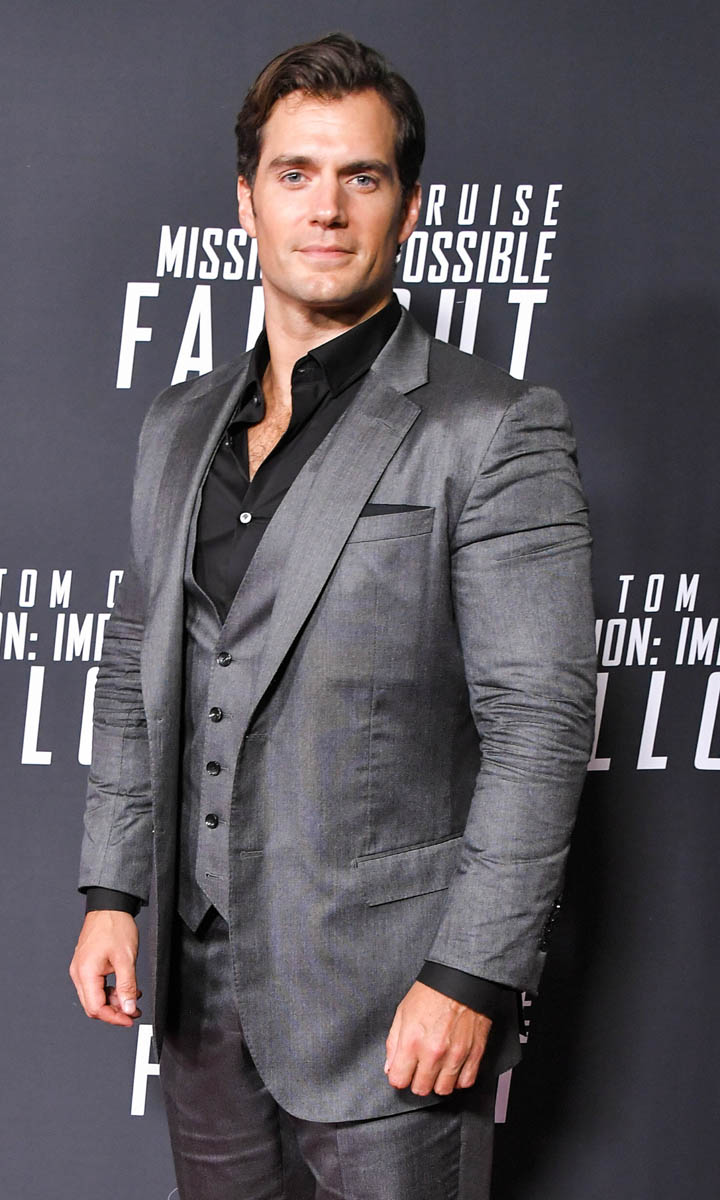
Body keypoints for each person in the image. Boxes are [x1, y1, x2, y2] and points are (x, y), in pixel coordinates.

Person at [69, 32, 595, 1200]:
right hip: (201, 989)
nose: (325, 208)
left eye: (361, 176)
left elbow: (540, 727)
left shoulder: (489, 427)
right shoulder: (177, 424)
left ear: (407, 207)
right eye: (294, 173)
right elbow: (136, 662)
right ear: (245, 199)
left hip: (392, 999)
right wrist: (114, 892)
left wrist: (470, 973)